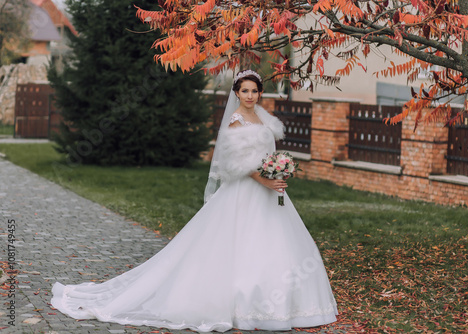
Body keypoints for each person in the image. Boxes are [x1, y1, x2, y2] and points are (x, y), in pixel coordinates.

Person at [51, 70, 338, 332]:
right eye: (245, 91)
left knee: (277, 243)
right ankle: (235, 304)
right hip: (247, 189)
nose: (250, 95)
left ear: (260, 93)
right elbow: (238, 162)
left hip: (271, 191)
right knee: (236, 243)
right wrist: (265, 179)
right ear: (236, 92)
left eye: (255, 91)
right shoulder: (236, 121)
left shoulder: (263, 117)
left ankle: (283, 304)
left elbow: (266, 154)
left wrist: (277, 169)